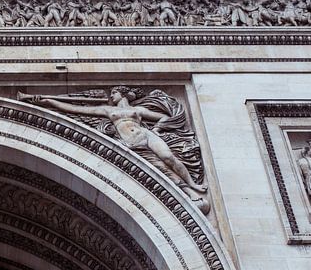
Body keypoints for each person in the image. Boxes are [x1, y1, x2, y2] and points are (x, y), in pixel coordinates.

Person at [22, 86, 208, 206]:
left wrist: (158, 129)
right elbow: (74, 109)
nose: (111, 95)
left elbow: (163, 117)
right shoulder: (108, 110)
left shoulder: (137, 109)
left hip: (147, 135)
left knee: (169, 158)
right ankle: (187, 192)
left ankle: (192, 183)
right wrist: (48, 102)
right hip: (131, 143)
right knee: (161, 169)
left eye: (114, 93)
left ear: (123, 94)